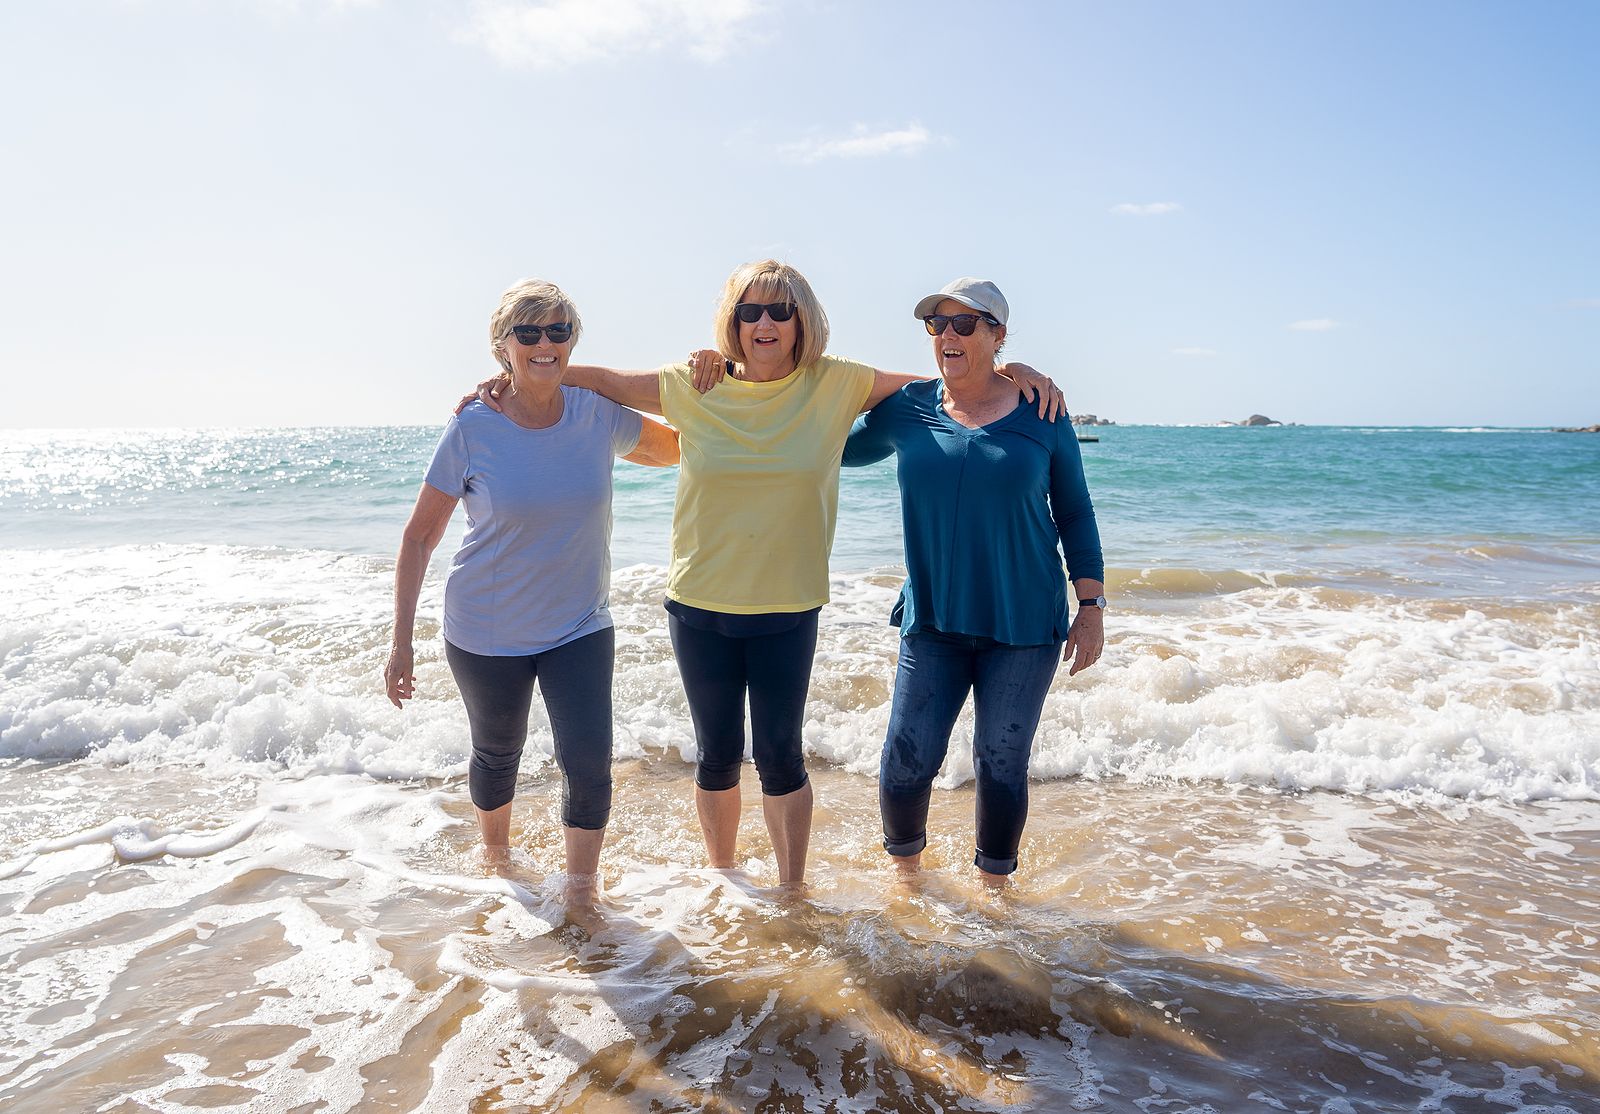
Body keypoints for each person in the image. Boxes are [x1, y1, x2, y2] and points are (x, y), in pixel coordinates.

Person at [469, 260, 1064, 888]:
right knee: (717, 757)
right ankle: (725, 882)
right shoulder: (695, 384)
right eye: (749, 311)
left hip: (787, 605)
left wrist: (1014, 373)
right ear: (733, 321)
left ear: (802, 319)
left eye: (780, 310)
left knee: (782, 757)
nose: (765, 323)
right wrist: (513, 376)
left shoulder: (836, 383)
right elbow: (607, 380)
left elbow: (947, 382)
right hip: (699, 602)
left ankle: (791, 892)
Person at [386, 279, 680, 898]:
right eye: (528, 333)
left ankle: (581, 893)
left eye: (558, 332)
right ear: (503, 346)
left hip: (580, 621)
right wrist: (401, 644)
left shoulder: (596, 414)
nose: (544, 344)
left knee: (589, 761)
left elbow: (675, 449)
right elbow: (418, 538)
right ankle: (497, 866)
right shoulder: (473, 425)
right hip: (486, 627)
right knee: (498, 752)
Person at [842, 277, 1105, 884]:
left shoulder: (1044, 413)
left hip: (1025, 622)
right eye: (938, 325)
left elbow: (1075, 512)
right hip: (933, 617)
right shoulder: (907, 409)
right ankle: (907, 885)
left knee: (1002, 760)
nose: (948, 335)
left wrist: (1090, 606)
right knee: (905, 760)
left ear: (998, 335)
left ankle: (994, 894)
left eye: (966, 324)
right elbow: (830, 446)